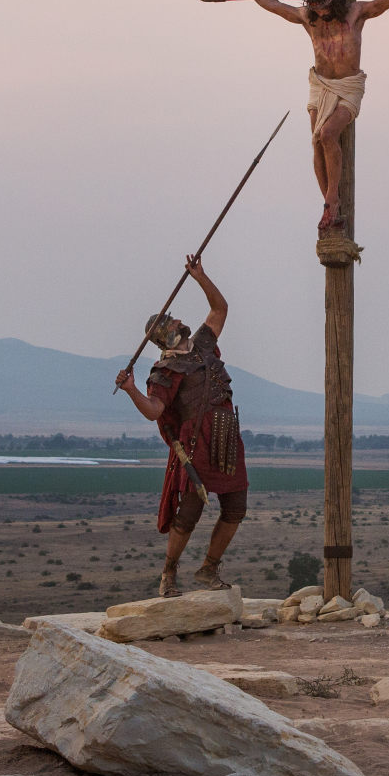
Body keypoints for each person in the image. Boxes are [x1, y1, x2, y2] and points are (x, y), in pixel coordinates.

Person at [232, 0, 389, 227]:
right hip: (320, 83)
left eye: (323, 8)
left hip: (349, 86)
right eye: (315, 8)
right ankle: (329, 208)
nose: (320, 14)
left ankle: (332, 199)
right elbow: (276, 6)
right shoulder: (308, 19)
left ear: (333, 2)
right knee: (317, 143)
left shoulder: (355, 15)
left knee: (328, 134)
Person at [115, 254, 253, 595]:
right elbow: (153, 410)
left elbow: (220, 308)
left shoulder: (205, 345)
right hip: (196, 446)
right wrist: (132, 389)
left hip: (226, 437)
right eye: (171, 321)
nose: (178, 320)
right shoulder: (164, 372)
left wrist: (200, 277)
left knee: (236, 507)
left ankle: (208, 569)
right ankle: (169, 574)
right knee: (189, 512)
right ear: (165, 336)